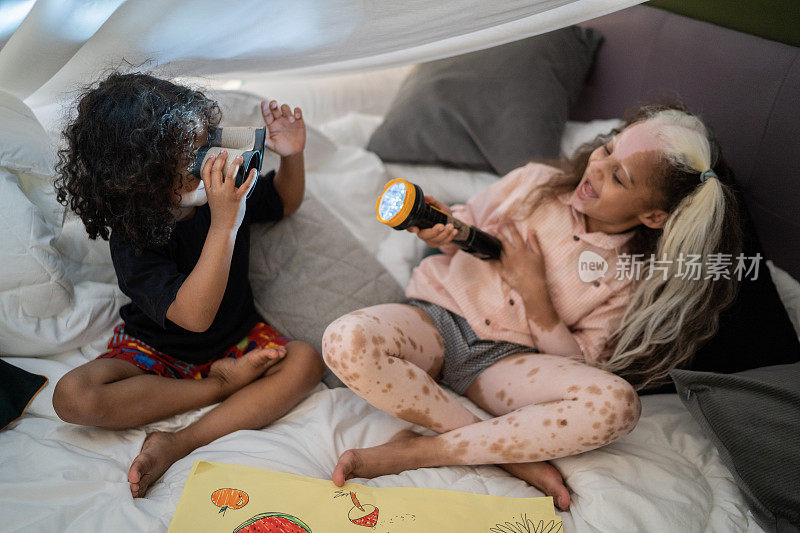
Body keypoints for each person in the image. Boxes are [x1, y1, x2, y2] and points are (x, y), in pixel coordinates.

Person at [322, 103, 742, 511]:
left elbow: (578, 365)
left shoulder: (631, 275)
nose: (596, 167)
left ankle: (423, 452)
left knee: (617, 405)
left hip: (506, 363)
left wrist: (536, 294)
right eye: (608, 148)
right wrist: (444, 228)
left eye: (619, 176)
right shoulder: (537, 183)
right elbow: (468, 221)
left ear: (653, 216)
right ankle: (502, 453)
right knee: (345, 340)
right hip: (435, 317)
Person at [51, 72, 323, 498]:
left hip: (238, 340)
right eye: (192, 155)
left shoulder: (229, 192)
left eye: (206, 144)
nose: (209, 160)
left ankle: (180, 442)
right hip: (157, 350)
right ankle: (217, 387)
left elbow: (285, 201)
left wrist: (292, 157)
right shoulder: (134, 236)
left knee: (306, 361)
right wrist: (225, 223)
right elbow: (193, 317)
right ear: (142, 176)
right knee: (73, 397)